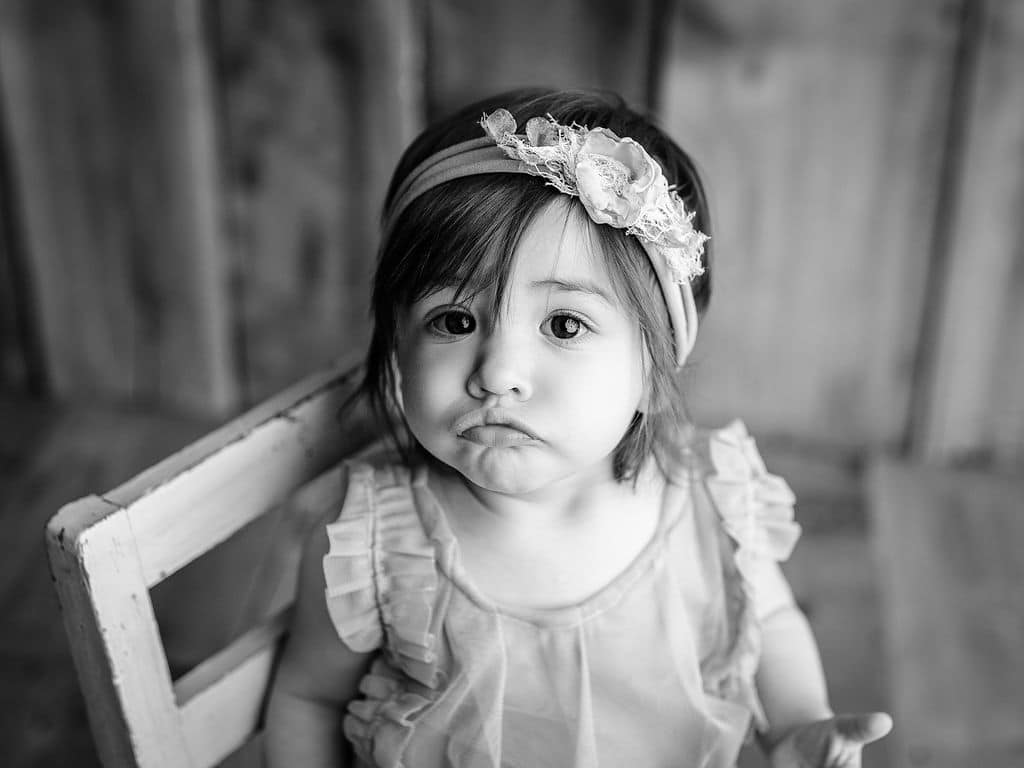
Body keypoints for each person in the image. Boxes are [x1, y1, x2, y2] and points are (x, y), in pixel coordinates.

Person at [265, 88, 892, 767]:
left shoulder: (712, 500)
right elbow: (312, 699)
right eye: (453, 320)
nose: (498, 372)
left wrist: (798, 722)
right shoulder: (376, 543)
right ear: (395, 345)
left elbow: (769, 620)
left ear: (652, 373)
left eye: (564, 324)